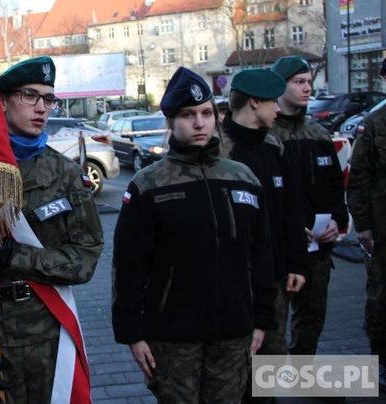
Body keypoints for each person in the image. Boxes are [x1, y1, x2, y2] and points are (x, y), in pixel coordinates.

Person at [0, 56, 104, 403]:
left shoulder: (66, 176)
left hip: (51, 329)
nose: (42, 108)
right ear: (1, 101)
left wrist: (11, 256)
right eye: (30, 96)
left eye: (48, 99)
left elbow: (85, 258)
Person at [112, 66, 276, 403]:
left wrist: (262, 320)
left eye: (206, 113)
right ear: (171, 121)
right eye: (188, 115)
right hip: (173, 339)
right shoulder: (148, 184)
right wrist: (132, 334)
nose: (199, 123)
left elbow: (260, 254)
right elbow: (128, 265)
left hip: (234, 332)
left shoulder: (242, 177)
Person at [222, 68, 308, 358]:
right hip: (231, 280)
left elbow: (290, 211)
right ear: (255, 102)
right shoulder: (220, 150)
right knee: (233, 366)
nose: (278, 108)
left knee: (271, 360)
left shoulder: (273, 147)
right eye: (274, 101)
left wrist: (296, 263)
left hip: (273, 277)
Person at [270, 55, 348, 356]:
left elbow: (333, 186)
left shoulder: (318, 134)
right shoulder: (267, 135)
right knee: (274, 323)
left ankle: (303, 376)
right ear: (281, 85)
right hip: (282, 248)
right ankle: (266, 393)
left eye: (309, 83)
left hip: (318, 247)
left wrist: (336, 221)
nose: (307, 89)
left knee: (312, 317)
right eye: (299, 82)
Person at [347, 58, 386, 391]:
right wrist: (362, 225)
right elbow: (359, 177)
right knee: (380, 298)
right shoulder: (374, 125)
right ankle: (380, 361)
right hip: (383, 227)